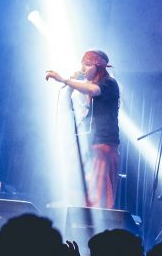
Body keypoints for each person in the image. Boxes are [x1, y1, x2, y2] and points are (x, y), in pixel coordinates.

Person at [45, 49, 121, 208]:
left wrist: (64, 80)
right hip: (89, 143)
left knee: (98, 195)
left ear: (97, 66)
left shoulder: (109, 82)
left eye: (86, 65)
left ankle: (95, 219)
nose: (83, 69)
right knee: (80, 187)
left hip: (103, 145)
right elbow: (65, 106)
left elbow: (94, 90)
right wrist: (70, 84)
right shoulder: (87, 85)